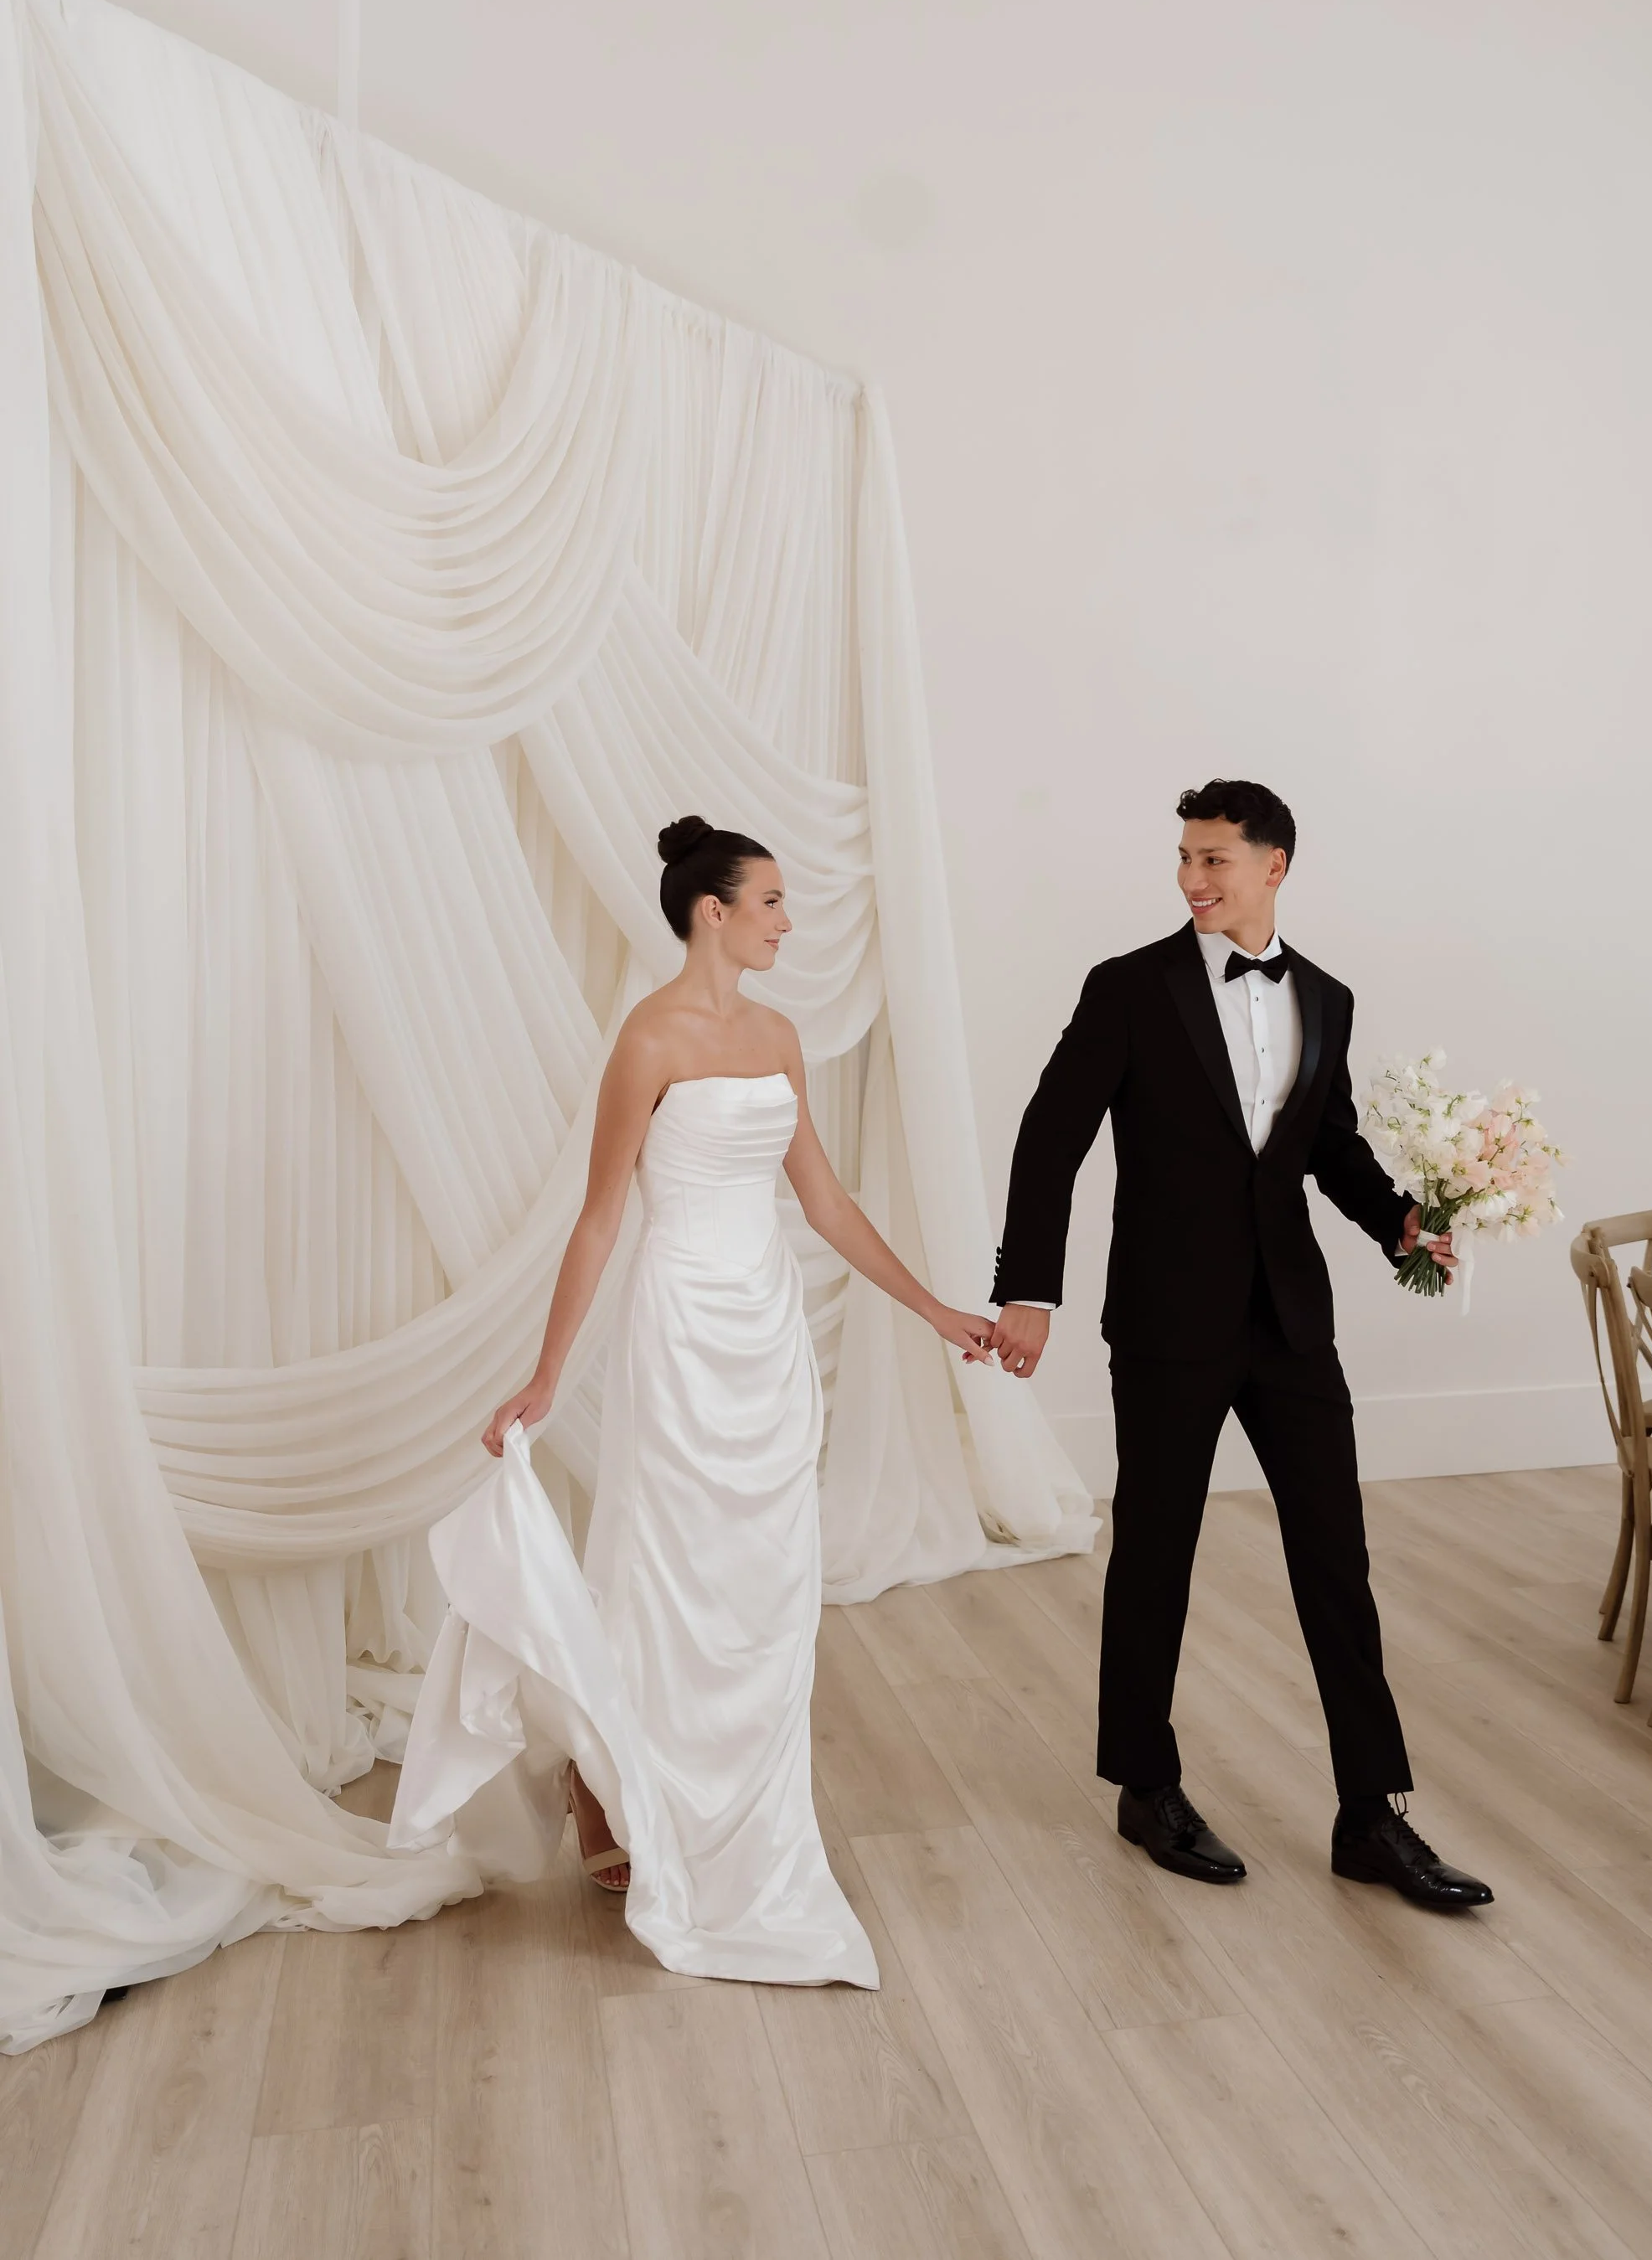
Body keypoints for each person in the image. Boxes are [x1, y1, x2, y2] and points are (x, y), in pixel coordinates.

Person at [398, 817, 995, 1987]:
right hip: (678, 1327)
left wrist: (937, 1312)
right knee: (667, 1565)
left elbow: (821, 1200)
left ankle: (737, 1813)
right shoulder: (649, 1040)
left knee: (760, 1579)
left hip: (763, 1328)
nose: (786, 922)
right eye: (771, 903)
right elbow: (601, 1218)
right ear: (710, 912)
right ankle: (610, 1779)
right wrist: (547, 1374)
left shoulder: (779, 1035)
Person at [987, 780, 1493, 1912]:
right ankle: (1145, 1783)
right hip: (1167, 1321)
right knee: (1156, 1552)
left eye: (1214, 859)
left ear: (1275, 866)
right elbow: (1049, 1135)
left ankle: (1373, 1815)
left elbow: (1330, 1151)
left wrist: (1404, 1221)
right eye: (1183, 858)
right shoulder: (1129, 989)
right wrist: (1029, 1288)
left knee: (1336, 1563)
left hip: (1288, 1323)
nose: (1191, 879)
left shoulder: (1327, 998)